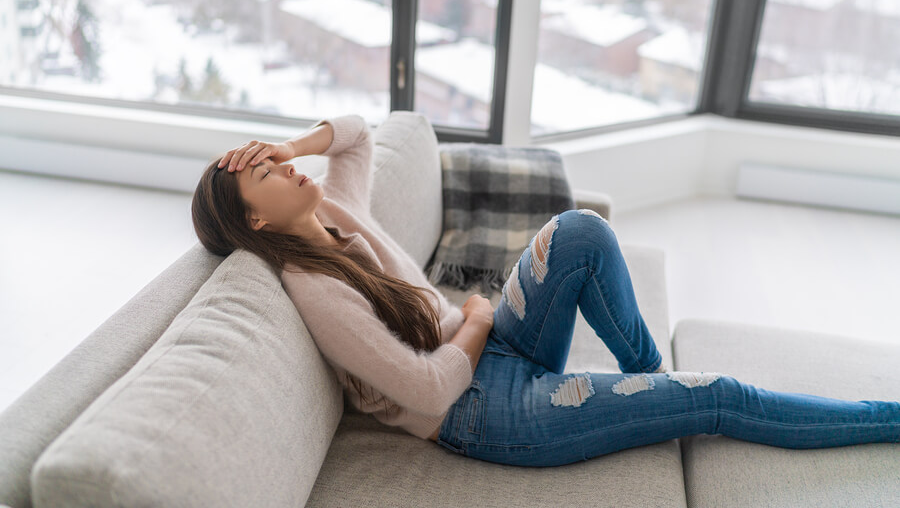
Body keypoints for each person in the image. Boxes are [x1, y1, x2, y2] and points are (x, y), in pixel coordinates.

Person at [191, 114, 900, 467]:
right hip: (482, 412)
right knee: (720, 395)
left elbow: (357, 137)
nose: (285, 167)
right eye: (267, 175)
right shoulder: (315, 289)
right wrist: (475, 316)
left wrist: (294, 145)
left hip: (497, 350)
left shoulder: (338, 213)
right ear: (258, 222)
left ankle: (650, 380)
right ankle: (885, 418)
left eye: (274, 159)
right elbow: (426, 390)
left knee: (580, 230)